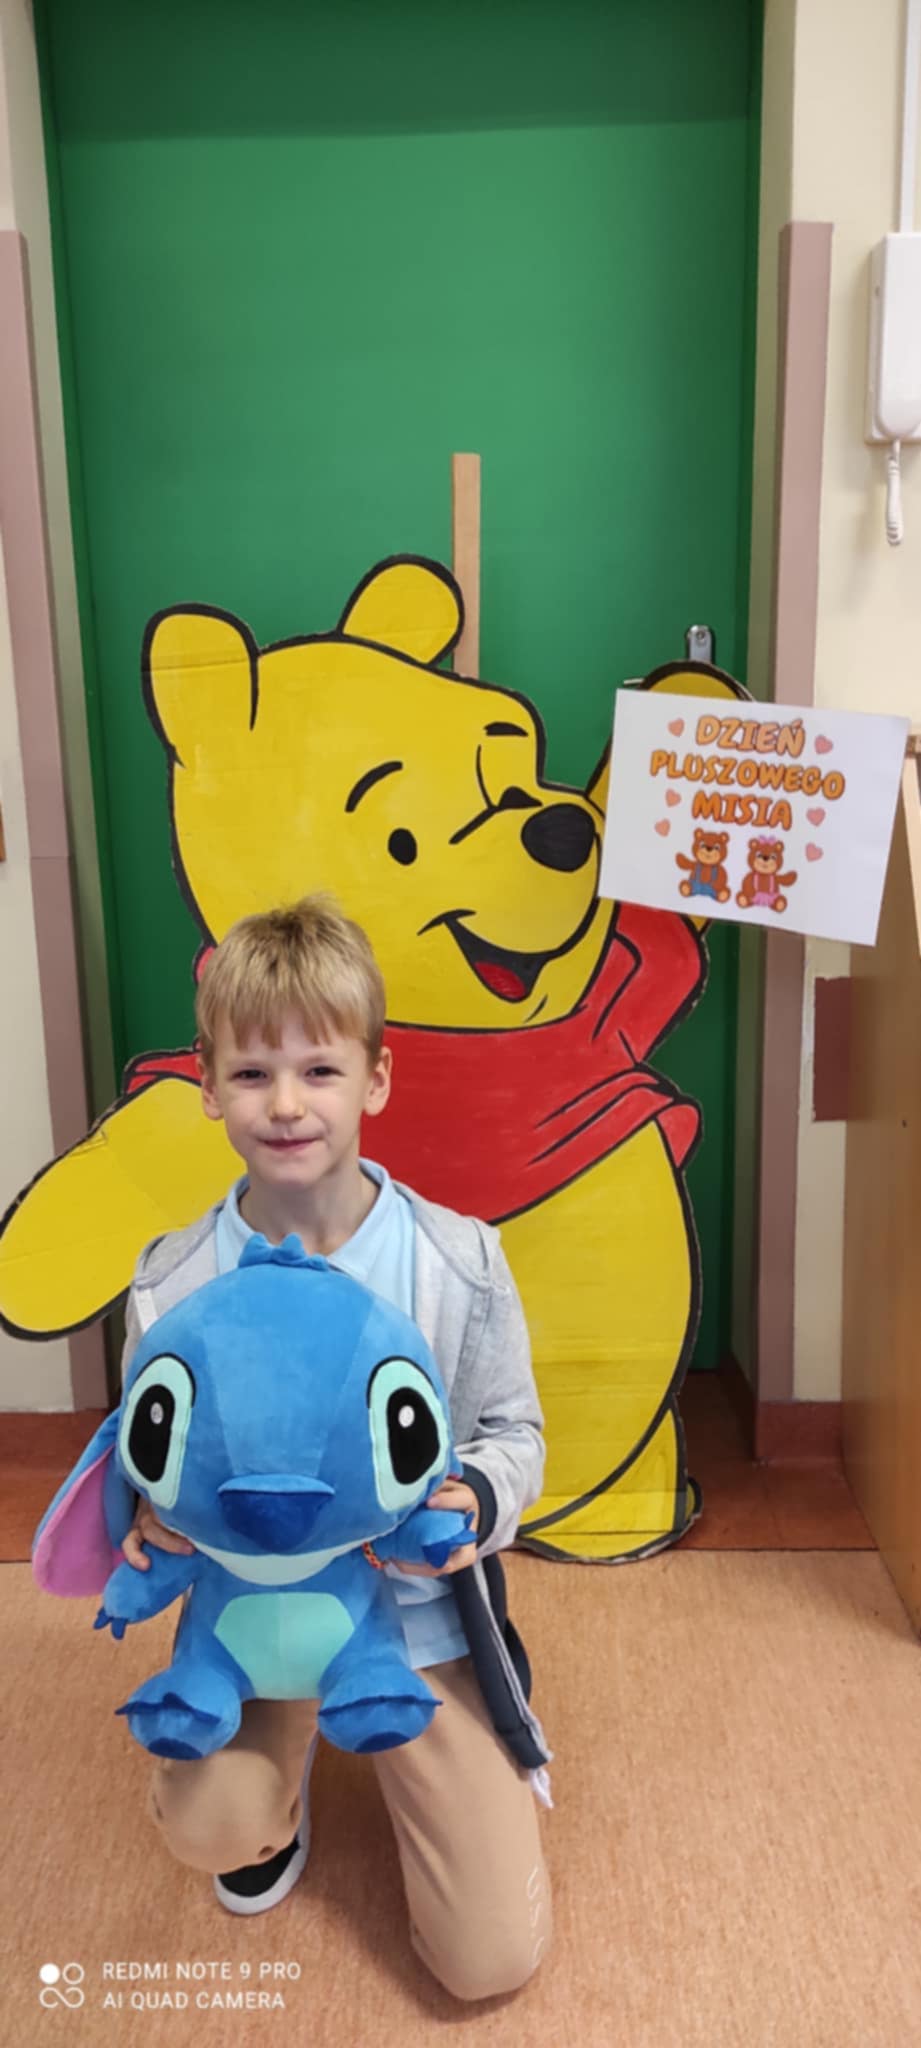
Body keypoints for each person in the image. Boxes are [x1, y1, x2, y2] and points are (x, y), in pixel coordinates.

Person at [120, 895, 552, 2002]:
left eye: (319, 1068)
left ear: (376, 1078)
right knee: (207, 1821)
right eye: (252, 1072)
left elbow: (514, 1433)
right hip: (249, 1617)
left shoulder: (457, 1262)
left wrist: (477, 1497)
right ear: (207, 1084)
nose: (286, 1103)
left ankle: (379, 1729)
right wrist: (144, 1518)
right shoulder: (171, 1283)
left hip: (413, 1623)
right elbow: (147, 1456)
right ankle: (275, 1780)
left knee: (490, 1961)